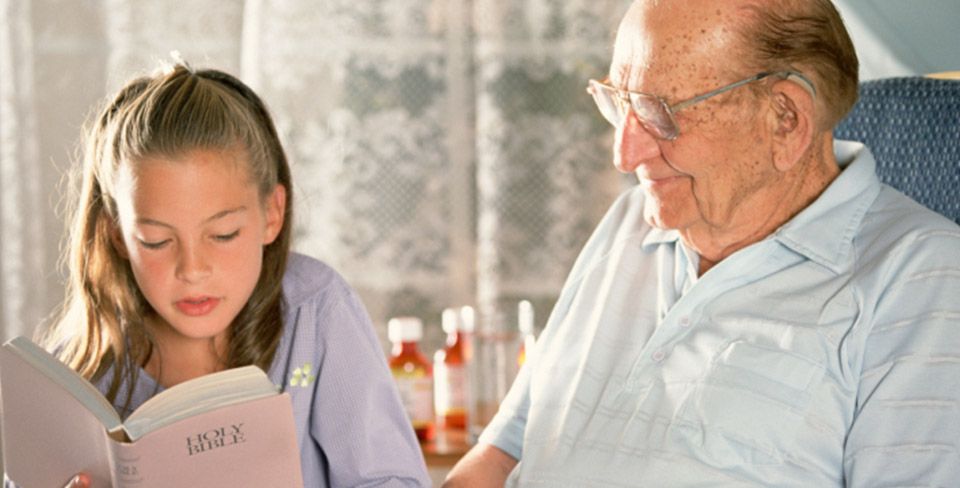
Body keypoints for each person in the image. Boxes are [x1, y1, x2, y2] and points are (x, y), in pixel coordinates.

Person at [445, 0, 960, 486]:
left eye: (659, 113)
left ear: (787, 120)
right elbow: (503, 452)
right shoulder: (629, 222)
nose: (625, 155)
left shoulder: (921, 277)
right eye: (618, 102)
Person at [3, 62, 430, 488]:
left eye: (223, 235)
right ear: (117, 235)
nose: (192, 270)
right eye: (155, 241)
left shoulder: (315, 312)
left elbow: (395, 481)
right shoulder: (80, 368)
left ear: (272, 213)